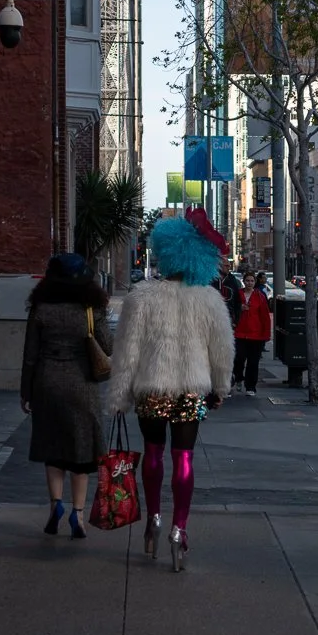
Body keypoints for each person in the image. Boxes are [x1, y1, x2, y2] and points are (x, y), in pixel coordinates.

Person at [107, 212, 234, 569]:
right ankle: (180, 528)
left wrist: (119, 395)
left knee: (152, 452)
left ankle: (154, 518)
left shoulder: (141, 297)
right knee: (184, 457)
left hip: (152, 388)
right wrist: (221, 386)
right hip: (191, 389)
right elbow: (222, 351)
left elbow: (126, 352)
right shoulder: (209, 300)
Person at [20, 253, 110, 540]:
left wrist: (26, 392)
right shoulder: (90, 308)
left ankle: (55, 505)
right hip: (82, 384)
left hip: (47, 382)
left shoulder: (41, 307)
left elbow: (30, 356)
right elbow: (107, 345)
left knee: (53, 445)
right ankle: (78, 514)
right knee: (81, 452)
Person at [232, 270, 272, 394]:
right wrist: (239, 308)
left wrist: (266, 334)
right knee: (238, 359)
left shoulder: (260, 296)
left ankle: (250, 386)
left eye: (252, 281)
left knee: (253, 362)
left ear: (255, 282)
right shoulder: (237, 295)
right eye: (247, 281)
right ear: (243, 282)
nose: (249, 283)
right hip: (239, 333)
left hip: (256, 334)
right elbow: (230, 309)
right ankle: (238, 378)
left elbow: (265, 316)